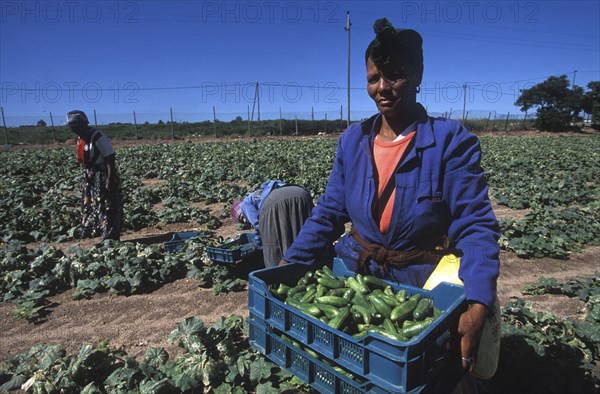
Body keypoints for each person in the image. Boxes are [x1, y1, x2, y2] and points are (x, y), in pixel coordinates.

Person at [279, 18, 500, 389]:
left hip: (418, 279)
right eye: (372, 78)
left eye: (394, 75)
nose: (382, 88)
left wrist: (479, 299)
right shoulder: (353, 140)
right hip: (355, 270)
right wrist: (290, 263)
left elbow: (475, 225)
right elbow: (329, 212)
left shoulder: (450, 141)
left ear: (416, 76)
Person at [67, 110, 123, 242]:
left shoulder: (97, 136)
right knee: (92, 205)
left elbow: (110, 158)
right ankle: (99, 233)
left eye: (75, 126)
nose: (73, 130)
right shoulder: (81, 139)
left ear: (82, 125)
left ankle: (111, 237)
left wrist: (109, 179)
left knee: (107, 206)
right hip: (91, 176)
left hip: (102, 175)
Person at [230, 180, 315, 268]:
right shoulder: (261, 193)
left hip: (275, 202)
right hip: (300, 193)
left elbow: (259, 226)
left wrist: (258, 244)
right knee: (304, 233)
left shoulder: (245, 204)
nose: (245, 221)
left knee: (272, 250)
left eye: (242, 218)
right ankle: (313, 266)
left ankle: (277, 276)